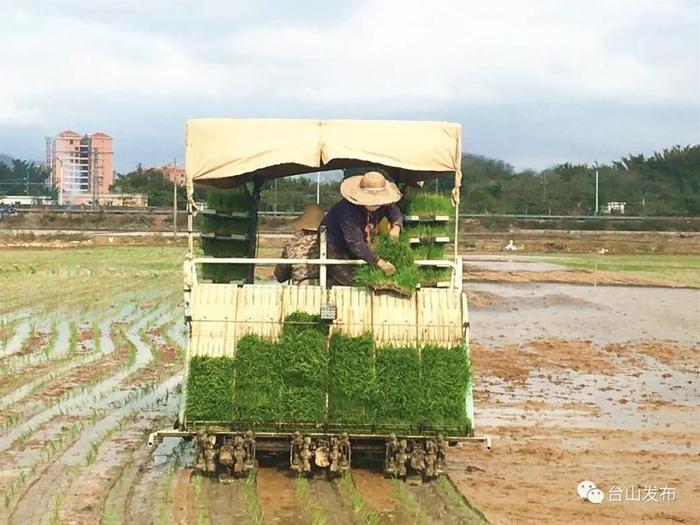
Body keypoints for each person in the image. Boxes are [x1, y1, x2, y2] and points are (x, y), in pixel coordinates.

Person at [321, 171, 403, 286]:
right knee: (355, 283)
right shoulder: (347, 211)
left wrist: (396, 227)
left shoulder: (385, 203)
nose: (375, 203)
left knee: (371, 275)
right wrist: (380, 263)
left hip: (361, 244)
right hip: (336, 248)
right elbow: (355, 243)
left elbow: (395, 213)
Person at [274, 203, 324, 284]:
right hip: (328, 290)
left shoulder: (293, 243)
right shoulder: (332, 243)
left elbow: (280, 276)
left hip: (299, 291)